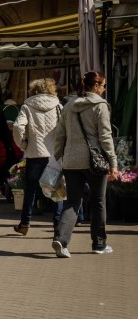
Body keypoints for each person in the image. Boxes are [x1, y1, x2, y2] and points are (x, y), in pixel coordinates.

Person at [51, 70, 119, 258]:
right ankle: (99, 243)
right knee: (98, 201)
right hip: (95, 161)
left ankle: (61, 240)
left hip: (71, 160)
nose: (104, 90)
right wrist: (113, 162)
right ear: (95, 86)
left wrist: (57, 158)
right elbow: (105, 137)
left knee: (72, 201)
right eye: (103, 86)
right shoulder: (100, 106)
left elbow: (60, 134)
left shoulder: (68, 105)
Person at [12, 78, 63, 236]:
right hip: (54, 155)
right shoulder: (58, 106)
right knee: (56, 190)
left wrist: (23, 144)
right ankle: (58, 226)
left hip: (35, 153)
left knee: (30, 190)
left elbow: (17, 126)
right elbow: (64, 128)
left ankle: (25, 223)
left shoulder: (27, 106)